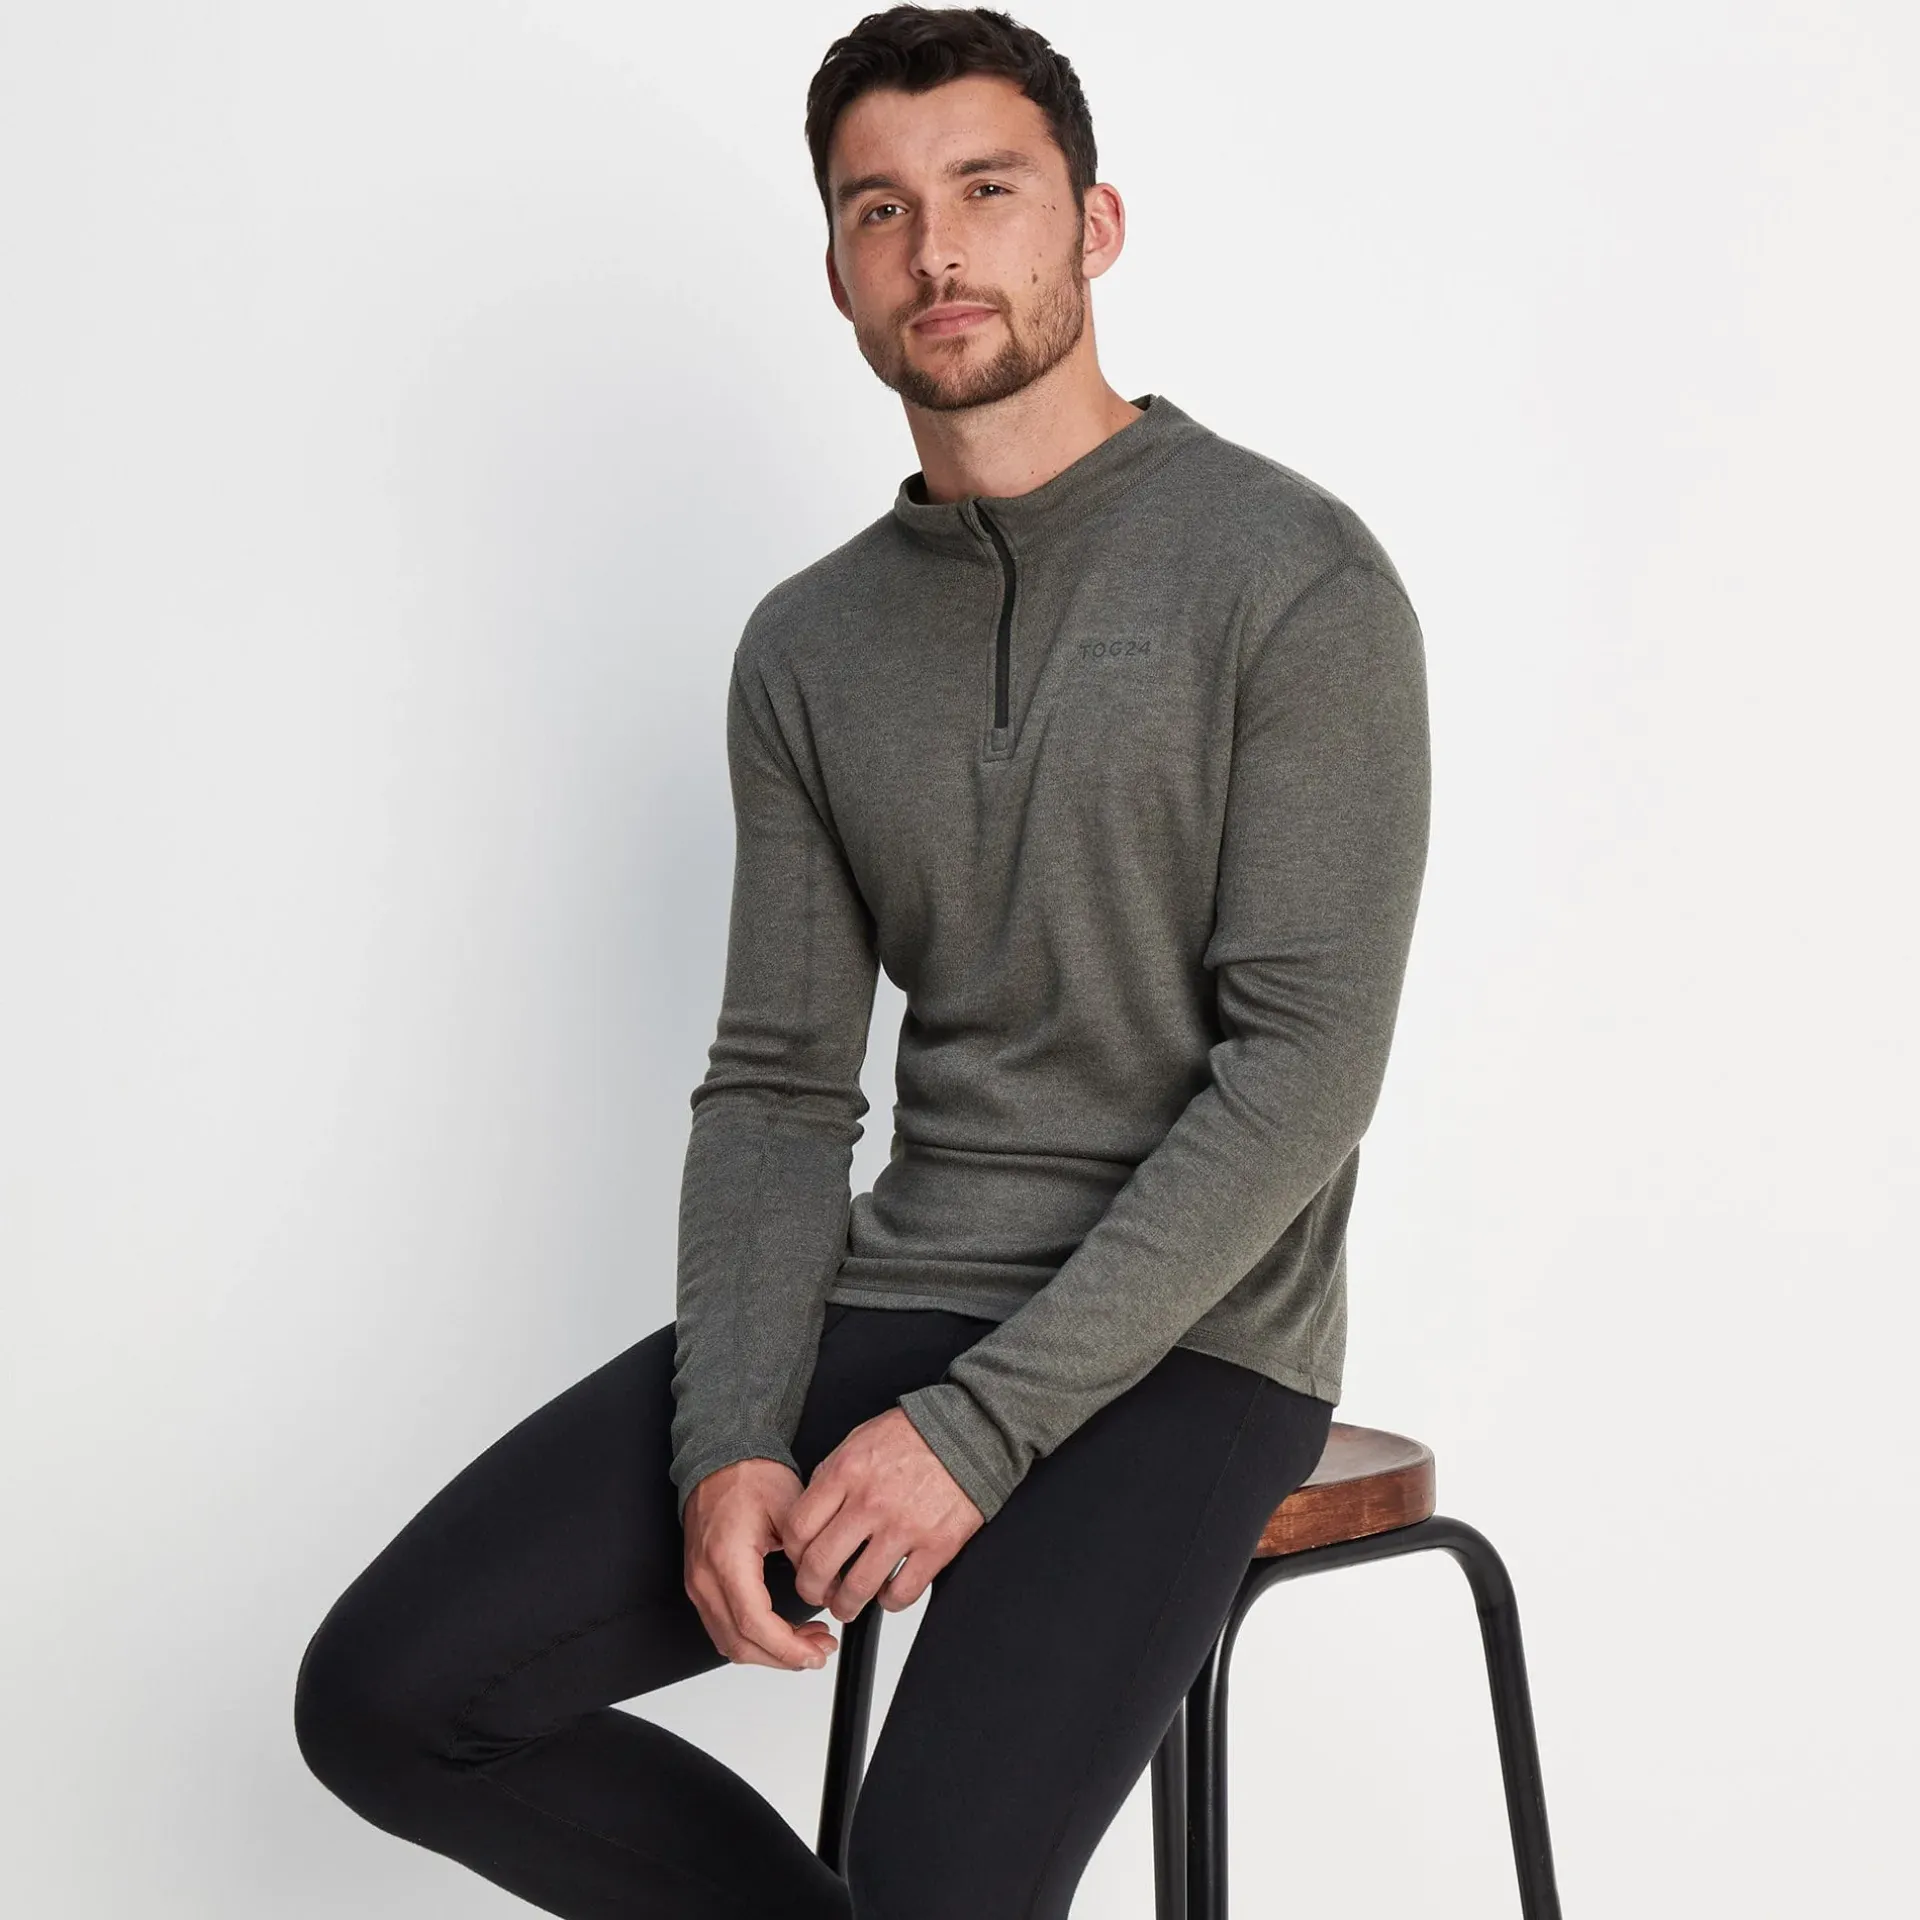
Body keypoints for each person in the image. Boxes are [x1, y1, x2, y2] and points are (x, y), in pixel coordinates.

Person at [292, 7, 1432, 1916]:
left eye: (990, 190)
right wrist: (731, 1437)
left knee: (940, 1880)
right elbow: (776, 1087)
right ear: (837, 268)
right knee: (390, 1698)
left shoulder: (1293, 578)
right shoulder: (810, 649)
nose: (938, 249)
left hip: (1200, 1334)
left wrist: (973, 1435)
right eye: (880, 209)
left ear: (1095, 225)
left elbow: (1303, 1070)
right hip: (906, 1289)